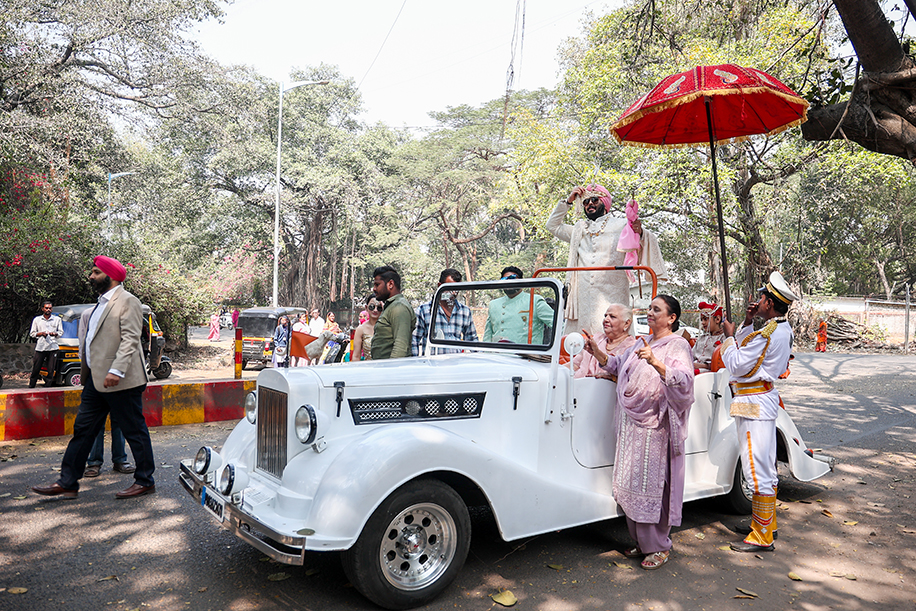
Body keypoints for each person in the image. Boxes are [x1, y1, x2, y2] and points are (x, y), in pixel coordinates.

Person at [32, 255, 156, 500]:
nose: (91, 276)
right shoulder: (99, 303)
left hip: (120, 380)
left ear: (110, 276)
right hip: (94, 380)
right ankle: (67, 482)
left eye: (96, 272)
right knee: (83, 430)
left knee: (134, 431)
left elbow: (131, 339)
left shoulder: (128, 301)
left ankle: (145, 481)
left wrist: (116, 370)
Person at [593, 295, 694, 570]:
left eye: (656, 310)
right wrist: (596, 352)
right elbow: (616, 366)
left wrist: (657, 363)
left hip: (655, 428)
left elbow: (684, 382)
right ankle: (641, 542)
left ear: (671, 318)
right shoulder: (640, 342)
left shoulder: (677, 345)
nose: (650, 313)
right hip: (630, 426)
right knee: (631, 485)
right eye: (649, 308)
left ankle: (659, 546)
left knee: (652, 488)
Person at [721, 271, 797, 553]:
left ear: (769, 303)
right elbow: (750, 345)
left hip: (754, 406)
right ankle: (764, 524)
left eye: (763, 297)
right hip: (758, 403)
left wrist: (729, 338)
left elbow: (739, 363)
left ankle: (761, 536)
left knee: (756, 470)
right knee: (764, 467)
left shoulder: (771, 334)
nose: (759, 299)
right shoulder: (777, 329)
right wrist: (747, 322)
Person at [546, 184, 667, 337]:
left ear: (605, 202)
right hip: (581, 297)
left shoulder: (622, 225)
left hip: (612, 294)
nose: (590, 204)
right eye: (585, 202)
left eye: (595, 200)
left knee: (613, 341)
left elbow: (643, 239)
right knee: (578, 343)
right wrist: (568, 201)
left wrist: (640, 231)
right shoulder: (579, 229)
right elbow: (552, 226)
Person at [412, 268, 479, 356]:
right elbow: (414, 341)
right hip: (432, 365)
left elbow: (472, 340)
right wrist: (417, 364)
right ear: (439, 286)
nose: (454, 293)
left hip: (456, 364)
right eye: (450, 289)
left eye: (457, 289)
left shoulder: (464, 312)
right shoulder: (424, 310)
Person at [482, 266, 554, 344]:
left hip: (526, 355)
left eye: (512, 278)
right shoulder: (494, 304)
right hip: (497, 354)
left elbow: (558, 325)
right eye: (504, 279)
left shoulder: (534, 301)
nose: (508, 282)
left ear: (521, 281)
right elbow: (488, 334)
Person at [573, 303, 636, 379]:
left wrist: (613, 378)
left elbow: (630, 378)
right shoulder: (596, 339)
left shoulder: (633, 347)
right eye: (605, 316)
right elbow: (574, 364)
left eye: (612, 317)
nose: (606, 319)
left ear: (626, 323)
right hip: (578, 386)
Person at [370, 266, 416, 360]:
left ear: (390, 284)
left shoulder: (399, 307)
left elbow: (400, 347)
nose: (374, 289)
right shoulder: (391, 306)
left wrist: (391, 372)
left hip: (390, 371)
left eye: (377, 284)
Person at [28, 300, 63, 388]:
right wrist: (41, 333)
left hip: (53, 346)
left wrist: (55, 334)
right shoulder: (37, 319)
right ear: (42, 309)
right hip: (41, 347)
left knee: (51, 369)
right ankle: (32, 385)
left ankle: (48, 386)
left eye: (50, 308)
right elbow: (32, 333)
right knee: (36, 367)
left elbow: (61, 332)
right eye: (46, 308)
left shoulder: (57, 319)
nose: (48, 310)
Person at [693, 301, 725, 372]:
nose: (703, 322)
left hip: (710, 374)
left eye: (705, 319)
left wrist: (701, 365)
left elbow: (722, 364)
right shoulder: (702, 338)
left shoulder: (724, 339)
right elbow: (691, 355)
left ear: (717, 319)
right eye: (702, 319)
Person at [353, 294, 381, 361]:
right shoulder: (361, 329)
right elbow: (356, 356)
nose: (375, 310)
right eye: (372, 306)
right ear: (366, 308)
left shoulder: (388, 327)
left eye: (379, 307)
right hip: (368, 369)